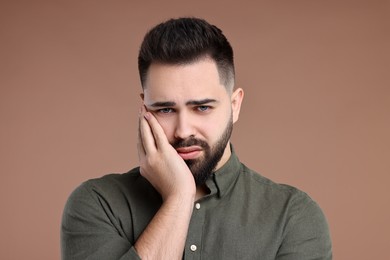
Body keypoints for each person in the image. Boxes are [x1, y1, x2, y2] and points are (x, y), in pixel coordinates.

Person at [61, 17, 332, 260]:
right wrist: (179, 198)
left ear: (235, 105)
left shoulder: (293, 217)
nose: (183, 130)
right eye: (165, 109)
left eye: (202, 107)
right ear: (144, 109)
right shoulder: (98, 204)